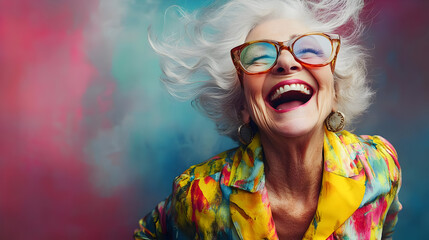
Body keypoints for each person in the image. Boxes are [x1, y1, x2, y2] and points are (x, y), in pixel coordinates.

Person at [134, 0, 402, 239]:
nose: (286, 62)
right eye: (259, 56)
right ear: (242, 106)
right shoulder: (197, 196)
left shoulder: (379, 167)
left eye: (308, 49)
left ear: (334, 91)